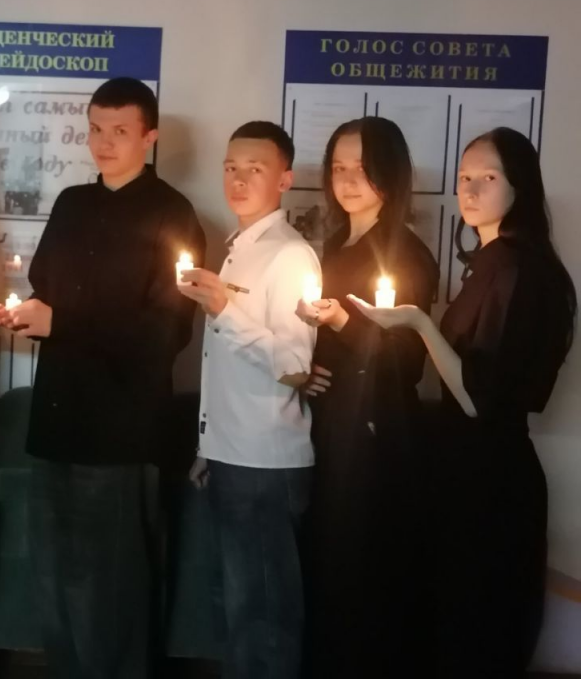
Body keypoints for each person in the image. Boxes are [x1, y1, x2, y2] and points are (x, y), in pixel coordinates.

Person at [349, 127, 576, 677]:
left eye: (488, 178)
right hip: (468, 471)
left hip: (489, 480)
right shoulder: (494, 261)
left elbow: (478, 398)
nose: (470, 191)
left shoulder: (515, 267)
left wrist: (418, 322)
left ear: (519, 185)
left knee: (476, 633)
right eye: (464, 177)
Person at [1, 77, 205, 679]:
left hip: (121, 431)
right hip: (55, 419)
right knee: (54, 583)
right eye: (95, 129)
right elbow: (44, 287)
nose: (103, 142)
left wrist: (63, 321)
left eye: (119, 130)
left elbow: (166, 332)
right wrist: (27, 314)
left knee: (111, 591)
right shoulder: (71, 203)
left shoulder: (172, 213)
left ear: (149, 136)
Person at [294, 117, 438, 678]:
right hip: (328, 428)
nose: (348, 180)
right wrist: (306, 365)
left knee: (362, 573)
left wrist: (343, 322)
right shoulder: (334, 245)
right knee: (324, 565)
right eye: (338, 168)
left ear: (390, 174)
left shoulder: (407, 254)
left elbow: (407, 363)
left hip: (377, 439)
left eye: (362, 168)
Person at [182, 121, 318, 679]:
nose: (238, 180)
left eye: (255, 169)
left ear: (284, 180)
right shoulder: (239, 249)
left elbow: (295, 366)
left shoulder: (290, 255)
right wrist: (207, 445)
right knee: (237, 613)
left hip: (266, 463)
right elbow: (227, 368)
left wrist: (224, 311)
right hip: (232, 456)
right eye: (230, 168)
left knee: (263, 621)